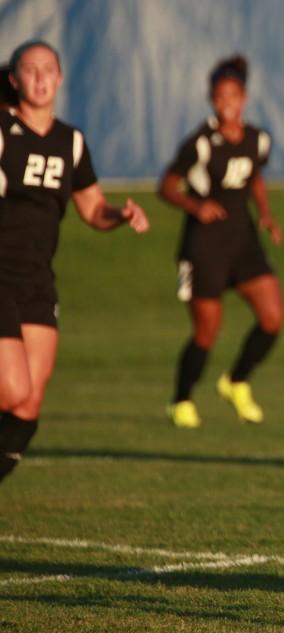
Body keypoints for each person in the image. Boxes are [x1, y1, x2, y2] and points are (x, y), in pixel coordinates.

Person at [0, 40, 149, 484]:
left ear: (62, 78)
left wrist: (119, 215)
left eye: (49, 69)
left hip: (37, 281)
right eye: (30, 70)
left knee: (29, 406)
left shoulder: (71, 141)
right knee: (12, 389)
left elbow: (92, 209)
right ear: (14, 80)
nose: (41, 78)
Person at [160, 55, 284, 428]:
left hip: (242, 241)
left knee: (273, 318)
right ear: (211, 99)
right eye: (218, 97)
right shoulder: (200, 143)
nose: (225, 103)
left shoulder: (257, 139)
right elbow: (165, 186)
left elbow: (255, 179)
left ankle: (235, 382)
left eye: (232, 96)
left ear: (244, 97)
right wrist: (195, 206)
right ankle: (180, 400)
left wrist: (265, 214)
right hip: (203, 247)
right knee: (206, 331)